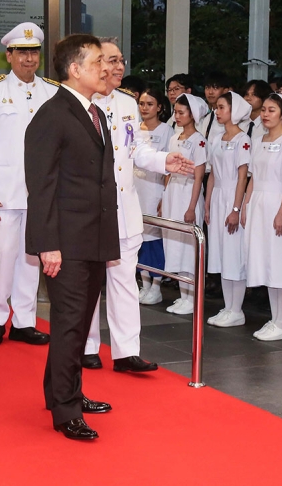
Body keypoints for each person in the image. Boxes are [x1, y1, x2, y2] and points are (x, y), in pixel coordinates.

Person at [24, 34, 116, 441]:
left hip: (94, 236)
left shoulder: (95, 112)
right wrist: (47, 243)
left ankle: (66, 393)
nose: (106, 68)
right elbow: (40, 185)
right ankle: (65, 410)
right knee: (68, 325)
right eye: (98, 61)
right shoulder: (53, 114)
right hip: (66, 239)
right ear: (75, 69)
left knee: (78, 323)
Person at [83, 38, 192, 372]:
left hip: (124, 209)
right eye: (111, 60)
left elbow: (137, 150)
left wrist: (164, 161)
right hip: (89, 210)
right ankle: (86, 346)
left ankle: (126, 351)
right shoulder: (78, 103)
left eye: (121, 60)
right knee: (88, 282)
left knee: (125, 281)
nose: (118, 67)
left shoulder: (127, 104)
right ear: (95, 64)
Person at [0, 23, 57, 347]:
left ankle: (24, 321)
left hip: (40, 193)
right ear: (9, 55)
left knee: (30, 257)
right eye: (22, 52)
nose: (29, 58)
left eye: (34, 52)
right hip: (4, 191)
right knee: (3, 253)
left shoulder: (51, 91)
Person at [243, 93, 282, 341]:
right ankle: (275, 319)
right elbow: (253, 176)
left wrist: (281, 212)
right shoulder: (258, 140)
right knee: (266, 261)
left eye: (272, 110)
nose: (265, 114)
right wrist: (246, 204)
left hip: (278, 203)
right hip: (258, 203)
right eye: (263, 109)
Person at [204, 92, 251, 327]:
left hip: (233, 196)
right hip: (218, 196)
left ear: (235, 111)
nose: (217, 111)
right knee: (222, 254)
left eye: (222, 107)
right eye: (216, 108)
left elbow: (243, 177)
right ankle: (228, 305)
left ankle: (237, 309)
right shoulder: (216, 138)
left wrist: (236, 208)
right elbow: (212, 173)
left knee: (234, 254)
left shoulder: (243, 140)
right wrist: (208, 202)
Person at [162, 94, 208, 315]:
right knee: (175, 244)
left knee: (188, 247)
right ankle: (182, 295)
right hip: (173, 191)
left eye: (181, 112)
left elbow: (198, 177)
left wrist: (191, 207)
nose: (177, 116)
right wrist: (164, 195)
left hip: (188, 191)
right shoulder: (174, 138)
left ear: (193, 115)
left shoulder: (199, 140)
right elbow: (168, 171)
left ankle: (192, 298)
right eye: (175, 112)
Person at [135, 88, 173, 305]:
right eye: (141, 103)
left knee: (153, 239)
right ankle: (144, 283)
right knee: (137, 239)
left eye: (150, 104)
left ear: (159, 107)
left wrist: (164, 197)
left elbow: (168, 165)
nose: (145, 108)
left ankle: (156, 285)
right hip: (135, 188)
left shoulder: (166, 131)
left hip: (154, 189)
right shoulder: (134, 129)